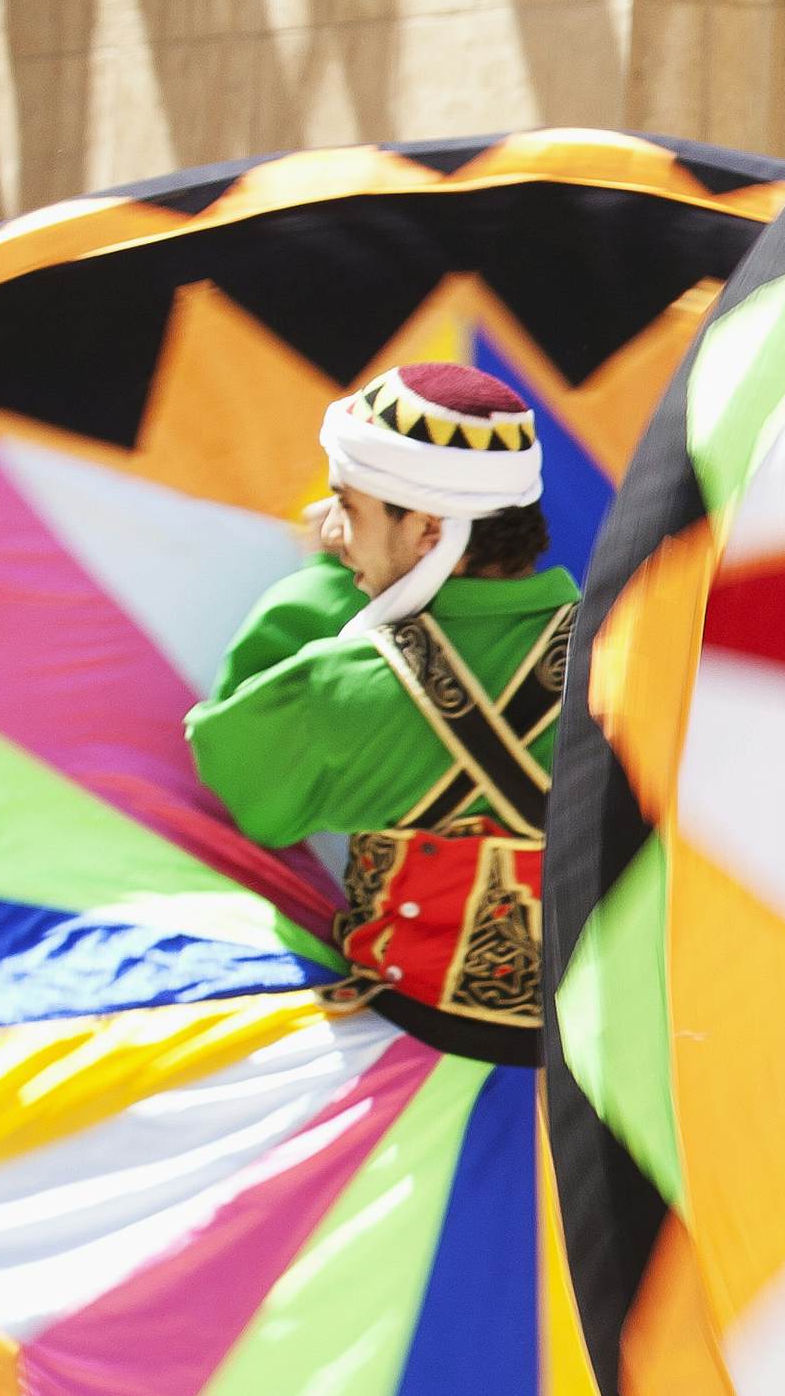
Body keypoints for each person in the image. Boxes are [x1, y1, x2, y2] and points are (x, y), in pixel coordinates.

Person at [186, 357, 576, 1057]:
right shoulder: (645, 658)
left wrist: (328, 588)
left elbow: (246, 788)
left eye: (349, 506)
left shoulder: (339, 690)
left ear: (430, 533)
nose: (335, 531)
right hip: (617, 1076)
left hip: (406, 1051)